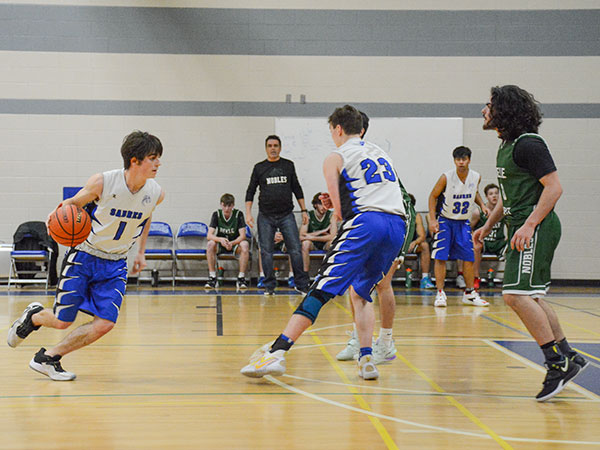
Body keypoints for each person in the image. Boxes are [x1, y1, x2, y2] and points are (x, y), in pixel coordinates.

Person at [241, 105, 407, 380]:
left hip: (368, 223)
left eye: (332, 131)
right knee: (361, 293)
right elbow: (377, 189)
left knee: (320, 289)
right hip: (396, 225)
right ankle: (366, 360)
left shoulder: (335, 157)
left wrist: (337, 205)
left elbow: (341, 213)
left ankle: (278, 352)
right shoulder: (380, 152)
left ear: (338, 129)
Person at [7, 131, 165, 381]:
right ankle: (33, 316)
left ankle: (48, 358)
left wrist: (141, 253)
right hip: (85, 256)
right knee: (61, 322)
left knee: (105, 323)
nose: (158, 163)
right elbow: (72, 203)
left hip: (116, 264)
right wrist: (56, 213)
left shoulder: (156, 192)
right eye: (153, 158)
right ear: (134, 160)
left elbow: (146, 218)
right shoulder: (104, 182)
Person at [474, 85, 587, 401]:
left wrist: (528, 225)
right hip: (525, 227)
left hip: (535, 228)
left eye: (489, 104)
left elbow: (554, 188)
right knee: (531, 296)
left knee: (515, 296)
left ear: (504, 110)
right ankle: (567, 354)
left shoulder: (529, 144)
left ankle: (556, 363)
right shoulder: (508, 145)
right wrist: (488, 226)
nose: (483, 109)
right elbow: (508, 198)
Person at [336, 110, 416, 364]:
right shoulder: (356, 155)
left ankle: (387, 341)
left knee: (382, 284)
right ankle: (359, 338)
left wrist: (402, 248)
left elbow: (401, 201)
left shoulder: (371, 154)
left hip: (394, 220)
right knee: (356, 285)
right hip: (372, 223)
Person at [245, 135, 310, 295]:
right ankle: (269, 285)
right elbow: (250, 191)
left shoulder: (288, 165)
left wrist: (303, 210)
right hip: (265, 216)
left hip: (286, 214)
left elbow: (297, 188)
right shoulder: (259, 167)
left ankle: (301, 284)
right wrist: (248, 213)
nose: (273, 148)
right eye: (270, 146)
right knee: (266, 251)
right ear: (266, 148)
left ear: (280, 148)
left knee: (295, 249)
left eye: (275, 145)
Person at [428, 146, 490, 308]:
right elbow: (433, 196)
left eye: (464, 159)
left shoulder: (476, 176)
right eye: (458, 159)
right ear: (454, 161)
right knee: (440, 256)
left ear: (469, 160)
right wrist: (433, 220)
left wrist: (482, 204)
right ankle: (440, 293)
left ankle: (469, 293)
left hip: (463, 222)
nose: (461, 162)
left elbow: (474, 191)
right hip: (445, 221)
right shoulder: (446, 177)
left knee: (469, 257)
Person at [205, 193, 250, 290]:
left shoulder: (239, 214)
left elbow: (243, 236)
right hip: (221, 244)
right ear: (221, 205)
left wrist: (232, 243)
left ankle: (241, 278)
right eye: (224, 205)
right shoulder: (216, 214)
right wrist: (220, 240)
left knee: (245, 244)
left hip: (234, 243)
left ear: (233, 205)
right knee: (210, 244)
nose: (226, 209)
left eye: (229, 206)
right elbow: (209, 235)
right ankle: (212, 277)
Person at [471, 183, 507, 288]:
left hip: (498, 242)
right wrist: (475, 237)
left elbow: (510, 226)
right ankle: (475, 277)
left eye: (496, 193)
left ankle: (510, 279)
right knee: (476, 248)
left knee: (514, 248)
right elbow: (469, 228)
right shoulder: (478, 212)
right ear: (486, 197)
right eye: (491, 194)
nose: (494, 196)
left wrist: (509, 238)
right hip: (484, 241)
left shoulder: (503, 211)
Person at [299, 192, 337, 273]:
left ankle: (330, 273)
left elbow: (333, 236)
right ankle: (305, 275)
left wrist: (311, 236)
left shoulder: (332, 215)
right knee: (305, 243)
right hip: (313, 244)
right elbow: (301, 236)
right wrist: (322, 231)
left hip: (324, 243)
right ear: (315, 204)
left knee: (332, 243)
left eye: (325, 204)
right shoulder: (308, 215)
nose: (324, 207)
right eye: (321, 204)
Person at [406, 194, 435, 289]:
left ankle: (425, 279)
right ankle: (381, 280)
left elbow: (422, 235)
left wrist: (414, 242)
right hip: (397, 245)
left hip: (410, 244)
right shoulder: (395, 214)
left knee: (425, 246)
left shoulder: (416, 216)